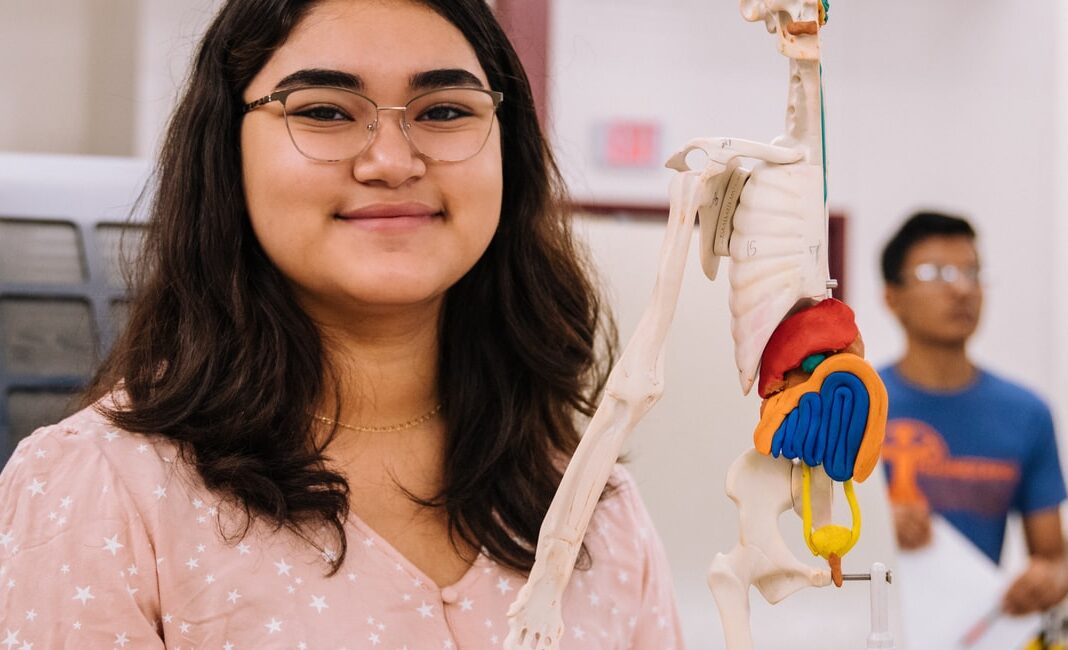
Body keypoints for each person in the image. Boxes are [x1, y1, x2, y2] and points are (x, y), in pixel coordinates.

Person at [0, 1, 684, 647]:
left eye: (444, 110)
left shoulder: (594, 503)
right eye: (325, 111)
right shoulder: (100, 490)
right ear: (226, 154)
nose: (391, 161)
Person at [879, 211, 1068, 615]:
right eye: (936, 273)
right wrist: (874, 528)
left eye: (973, 272)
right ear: (892, 297)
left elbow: (1054, 558)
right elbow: (803, 533)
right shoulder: (853, 405)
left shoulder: (1026, 413)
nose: (962, 289)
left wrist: (1048, 581)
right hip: (858, 632)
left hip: (975, 633)